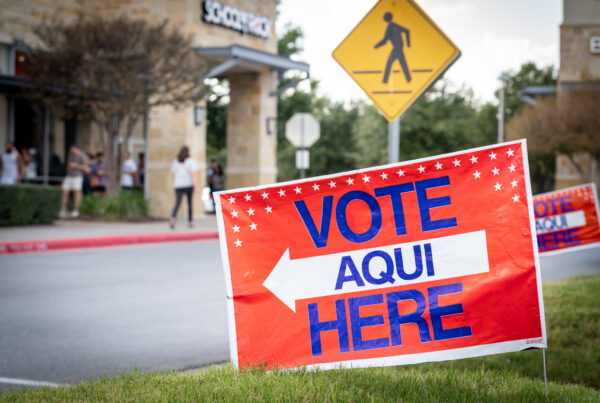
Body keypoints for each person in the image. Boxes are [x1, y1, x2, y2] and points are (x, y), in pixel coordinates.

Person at [374, 12, 411, 84]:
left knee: (389, 63)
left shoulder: (390, 27)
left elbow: (385, 41)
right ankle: (409, 79)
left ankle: (385, 81)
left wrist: (376, 46)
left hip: (397, 49)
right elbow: (407, 31)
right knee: (403, 64)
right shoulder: (394, 25)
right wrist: (407, 44)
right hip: (399, 48)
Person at [169, 146, 198, 229]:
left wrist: (174, 184)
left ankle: (173, 218)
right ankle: (190, 221)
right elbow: (192, 174)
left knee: (178, 203)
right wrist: (195, 186)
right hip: (188, 184)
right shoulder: (191, 161)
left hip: (178, 185)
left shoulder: (176, 161)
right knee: (189, 203)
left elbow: (173, 174)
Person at [59, 144, 89, 218]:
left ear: (76, 149)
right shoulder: (70, 155)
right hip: (69, 176)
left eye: (72, 150)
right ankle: (62, 210)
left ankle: (76, 210)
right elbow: (68, 165)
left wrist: (76, 165)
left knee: (77, 193)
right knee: (65, 192)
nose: (71, 151)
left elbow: (87, 169)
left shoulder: (82, 156)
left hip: (77, 177)